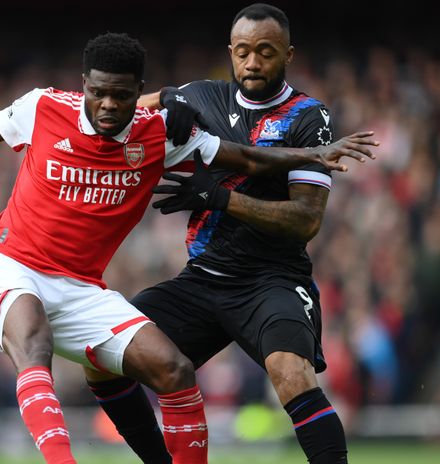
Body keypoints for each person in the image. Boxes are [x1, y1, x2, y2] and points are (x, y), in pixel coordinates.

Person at [0, 32, 376, 464]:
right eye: (98, 91)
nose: (107, 104)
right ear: (84, 85)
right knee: (33, 339)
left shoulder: (160, 135)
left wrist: (318, 153)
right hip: (11, 263)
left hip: (85, 287)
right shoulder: (44, 108)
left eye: (121, 94)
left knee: (174, 369)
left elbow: (249, 160)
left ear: (136, 90)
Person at [85, 5, 359, 464]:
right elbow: (131, 103)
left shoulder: (309, 117)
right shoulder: (201, 95)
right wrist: (164, 103)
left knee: (290, 373)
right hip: (202, 279)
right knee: (101, 360)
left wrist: (221, 198)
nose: (253, 62)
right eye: (244, 52)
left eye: (266, 52)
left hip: (272, 279)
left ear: (287, 55)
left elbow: (306, 220)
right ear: (230, 53)